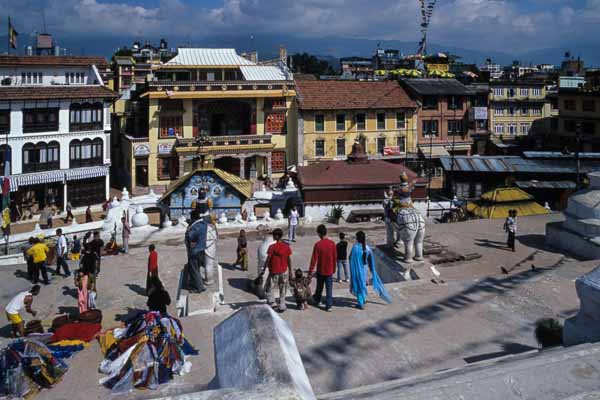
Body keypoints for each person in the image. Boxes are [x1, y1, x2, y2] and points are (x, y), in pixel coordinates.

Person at [349, 231, 392, 310]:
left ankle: (361, 303)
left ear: (357, 238)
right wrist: (372, 270)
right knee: (363, 284)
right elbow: (370, 261)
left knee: (358, 286)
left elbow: (350, 258)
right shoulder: (367, 248)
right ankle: (363, 299)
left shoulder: (355, 248)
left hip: (357, 270)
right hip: (364, 271)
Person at [262, 228, 292, 313]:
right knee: (283, 288)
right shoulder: (286, 247)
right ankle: (282, 304)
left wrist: (264, 269)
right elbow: (289, 260)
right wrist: (290, 271)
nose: (273, 237)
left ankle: (273, 303)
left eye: (274, 235)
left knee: (270, 287)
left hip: (274, 271)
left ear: (277, 236)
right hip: (284, 271)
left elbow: (268, 259)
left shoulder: (272, 247)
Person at [309, 224, 337, 311]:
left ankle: (317, 300)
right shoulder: (332, 244)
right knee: (329, 289)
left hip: (321, 270)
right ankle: (329, 305)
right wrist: (334, 268)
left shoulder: (318, 245)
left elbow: (314, 259)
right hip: (329, 270)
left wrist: (310, 271)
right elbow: (335, 257)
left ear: (319, 234)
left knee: (319, 287)